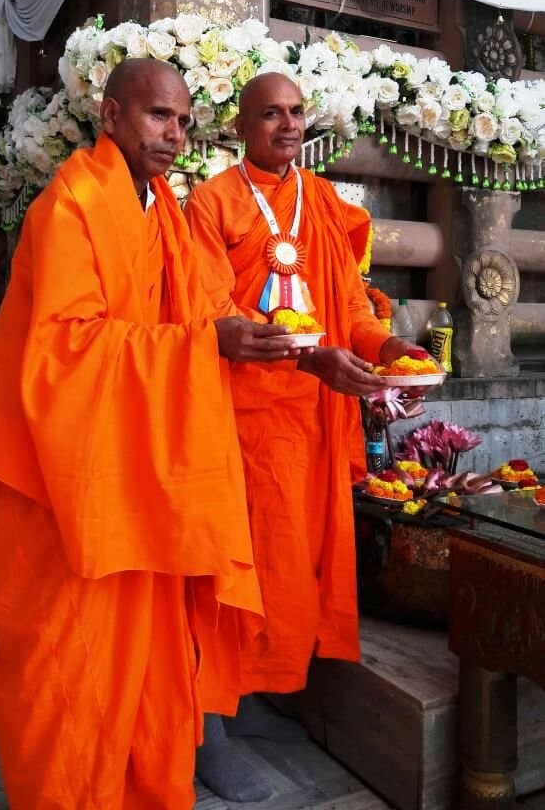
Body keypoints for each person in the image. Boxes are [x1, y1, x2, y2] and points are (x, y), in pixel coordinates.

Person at [0, 59, 299, 810]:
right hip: (55, 476)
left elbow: (201, 310)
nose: (174, 134)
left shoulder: (166, 213)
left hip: (134, 471)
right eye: (157, 116)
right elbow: (66, 349)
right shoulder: (72, 205)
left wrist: (248, 333)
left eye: (182, 121)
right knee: (67, 661)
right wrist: (199, 347)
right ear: (110, 115)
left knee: (144, 661)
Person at [186, 72, 422, 801]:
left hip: (309, 424)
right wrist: (309, 356)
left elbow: (348, 305)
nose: (287, 127)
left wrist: (387, 350)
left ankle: (252, 693)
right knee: (225, 573)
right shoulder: (211, 202)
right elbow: (209, 309)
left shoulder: (321, 201)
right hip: (235, 421)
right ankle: (204, 729)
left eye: (294, 114)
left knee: (289, 569)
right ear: (240, 127)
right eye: (269, 115)